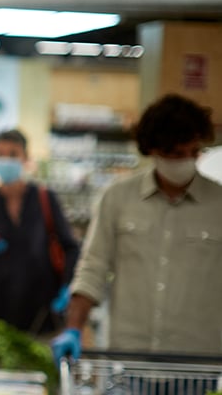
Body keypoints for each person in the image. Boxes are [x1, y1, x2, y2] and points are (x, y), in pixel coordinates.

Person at [52, 94, 222, 360]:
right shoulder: (117, 198)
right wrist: (73, 328)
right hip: (128, 361)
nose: (185, 161)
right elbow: (93, 268)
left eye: (193, 152)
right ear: (153, 149)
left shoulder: (218, 205)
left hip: (199, 365)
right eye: (176, 154)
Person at [0, 130, 81, 335]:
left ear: (25, 159)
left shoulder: (45, 199)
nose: (5, 160)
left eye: (12, 154)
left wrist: (67, 287)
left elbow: (71, 247)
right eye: (0, 154)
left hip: (41, 314)